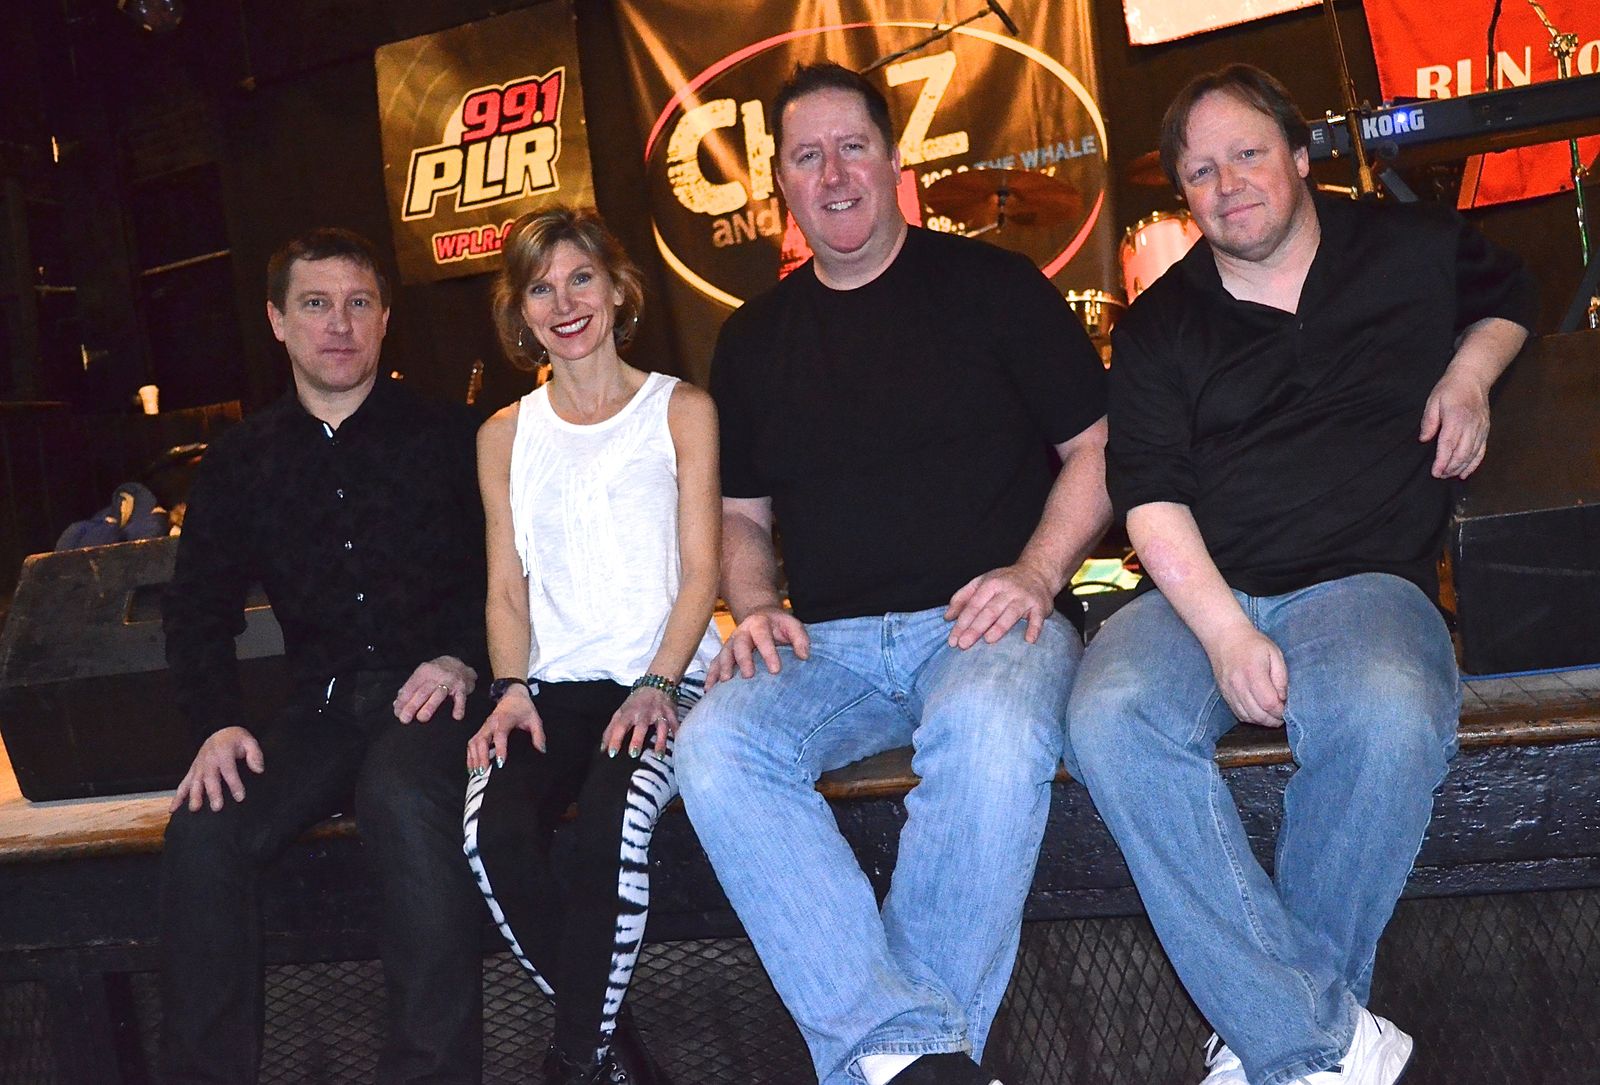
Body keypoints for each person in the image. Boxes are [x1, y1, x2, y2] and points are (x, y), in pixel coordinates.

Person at [1066, 64, 1536, 1085]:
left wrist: (1469, 374)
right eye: (1200, 172)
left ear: (1298, 154)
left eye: (1246, 154)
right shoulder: (1159, 323)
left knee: (1388, 707)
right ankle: (1320, 1042)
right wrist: (1226, 633)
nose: (1227, 184)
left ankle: (1273, 1039)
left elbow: (1513, 293)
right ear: (1182, 194)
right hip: (1199, 586)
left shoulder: (1408, 247)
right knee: (1109, 714)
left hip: (1363, 579)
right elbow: (1148, 495)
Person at [675, 62, 1111, 1085]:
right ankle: (913, 1052)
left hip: (983, 624)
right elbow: (739, 515)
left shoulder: (995, 286)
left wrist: (1036, 571)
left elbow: (1099, 447)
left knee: (992, 729)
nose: (833, 174)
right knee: (716, 743)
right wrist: (754, 605)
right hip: (825, 645)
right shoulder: (751, 340)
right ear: (778, 183)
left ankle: (897, 1058)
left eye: (852, 147)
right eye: (807, 156)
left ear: (893, 160)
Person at [159, 228, 489, 1084]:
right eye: (315, 304)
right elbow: (195, 609)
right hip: (324, 709)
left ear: (384, 318)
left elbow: (511, 572)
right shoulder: (240, 461)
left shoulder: (455, 435)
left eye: (357, 303)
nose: (339, 324)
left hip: (439, 697)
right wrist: (217, 723)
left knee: (401, 795)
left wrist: (463, 657)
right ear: (277, 320)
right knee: (205, 826)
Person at [461, 206, 720, 1085]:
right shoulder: (503, 434)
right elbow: (505, 585)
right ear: (519, 311)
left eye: (580, 279)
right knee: (490, 831)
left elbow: (702, 572)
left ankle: (574, 1060)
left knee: (612, 821)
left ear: (616, 288)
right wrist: (507, 687)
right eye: (541, 288)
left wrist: (659, 682)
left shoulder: (680, 409)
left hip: (665, 677)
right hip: (550, 688)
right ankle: (611, 1052)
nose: (564, 303)